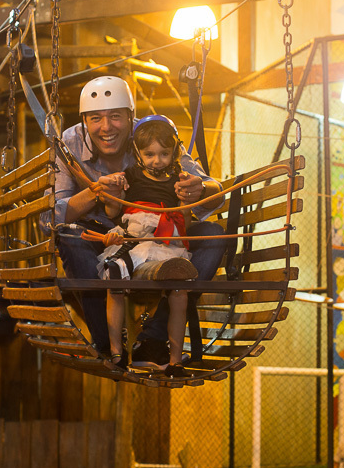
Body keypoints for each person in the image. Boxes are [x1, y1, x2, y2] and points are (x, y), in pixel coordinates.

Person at [51, 76, 226, 361]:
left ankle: (154, 339)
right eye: (95, 118)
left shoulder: (152, 134)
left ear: (130, 117)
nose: (106, 127)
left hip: (162, 237)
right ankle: (107, 343)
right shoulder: (68, 144)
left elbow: (212, 189)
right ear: (84, 120)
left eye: (115, 116)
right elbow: (50, 217)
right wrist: (95, 193)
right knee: (70, 236)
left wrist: (201, 189)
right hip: (102, 238)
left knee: (214, 235)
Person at [99, 116, 201, 377]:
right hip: (135, 240)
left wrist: (185, 201)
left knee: (179, 287)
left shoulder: (179, 179)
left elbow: (187, 220)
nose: (157, 161)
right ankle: (117, 353)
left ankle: (175, 361)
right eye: (150, 154)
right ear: (138, 152)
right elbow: (112, 211)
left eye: (164, 154)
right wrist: (114, 192)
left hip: (167, 242)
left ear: (174, 152)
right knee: (114, 275)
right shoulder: (130, 176)